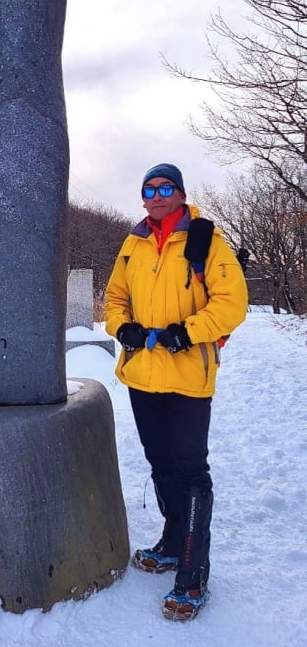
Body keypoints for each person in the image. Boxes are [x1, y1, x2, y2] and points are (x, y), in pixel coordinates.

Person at [104, 163, 248, 621]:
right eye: (150, 188)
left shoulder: (205, 239)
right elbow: (114, 298)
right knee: (160, 463)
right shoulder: (134, 241)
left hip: (187, 377)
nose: (158, 195)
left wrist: (186, 333)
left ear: (181, 194)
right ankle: (171, 542)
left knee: (189, 471)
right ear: (143, 197)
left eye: (167, 188)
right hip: (143, 374)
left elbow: (232, 302)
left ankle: (192, 575)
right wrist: (121, 327)